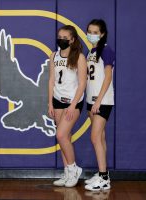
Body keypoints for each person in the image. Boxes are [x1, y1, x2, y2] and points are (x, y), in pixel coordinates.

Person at [48, 25, 87, 187]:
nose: (61, 40)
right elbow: (51, 80)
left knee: (61, 135)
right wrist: (50, 102)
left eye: (65, 38)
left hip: (73, 101)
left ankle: (73, 169)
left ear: (72, 40)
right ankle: (67, 173)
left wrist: (73, 105)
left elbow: (83, 83)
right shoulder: (54, 56)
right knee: (66, 138)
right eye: (59, 37)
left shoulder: (79, 57)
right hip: (57, 100)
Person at [84, 19, 115, 191]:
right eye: (89, 31)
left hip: (102, 101)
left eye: (95, 32)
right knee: (100, 137)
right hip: (91, 100)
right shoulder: (91, 52)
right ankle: (103, 173)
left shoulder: (106, 50)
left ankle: (103, 178)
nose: (91, 34)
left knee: (95, 137)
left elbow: (108, 77)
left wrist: (98, 101)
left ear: (102, 34)